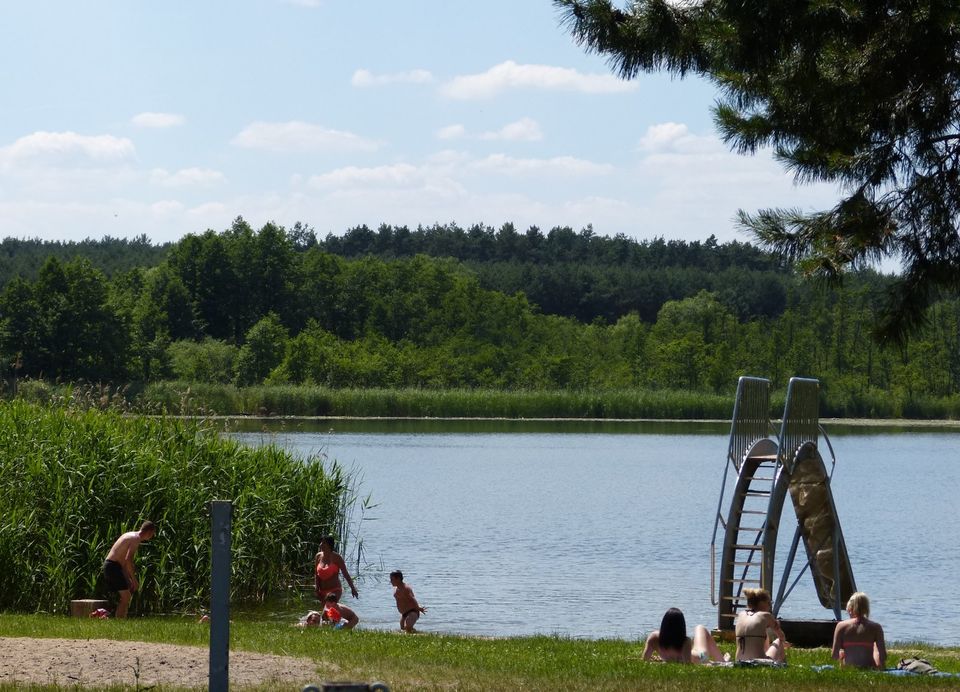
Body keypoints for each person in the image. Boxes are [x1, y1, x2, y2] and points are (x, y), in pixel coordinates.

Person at [102, 521, 156, 619]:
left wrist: (128, 579)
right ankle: (120, 621)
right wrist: (134, 580)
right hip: (112, 567)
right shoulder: (136, 539)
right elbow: (128, 560)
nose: (151, 537)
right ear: (149, 532)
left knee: (125, 597)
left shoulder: (130, 534)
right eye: (152, 534)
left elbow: (123, 563)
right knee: (126, 597)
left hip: (112, 566)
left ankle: (119, 619)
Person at [642, 607, 728, 663]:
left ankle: (722, 661)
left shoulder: (653, 638)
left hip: (698, 657)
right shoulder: (685, 641)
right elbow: (687, 665)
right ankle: (722, 661)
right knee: (700, 627)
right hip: (702, 657)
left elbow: (645, 660)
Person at [832, 592, 886, 669]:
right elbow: (883, 656)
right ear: (866, 608)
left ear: (850, 609)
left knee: (842, 652)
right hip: (869, 668)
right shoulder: (876, 627)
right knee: (875, 646)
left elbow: (834, 656)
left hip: (848, 669)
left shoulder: (841, 626)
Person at [735, 588, 788, 662]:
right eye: (769, 603)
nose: (770, 606)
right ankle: (783, 666)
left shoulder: (741, 614)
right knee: (778, 641)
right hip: (758, 661)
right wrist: (777, 627)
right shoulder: (766, 615)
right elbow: (782, 637)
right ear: (763, 603)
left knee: (761, 635)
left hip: (739, 660)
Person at [314, 535, 359, 603]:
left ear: (329, 545)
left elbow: (345, 574)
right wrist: (317, 589)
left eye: (324, 543)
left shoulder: (337, 557)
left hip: (335, 590)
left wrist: (353, 588)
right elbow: (316, 575)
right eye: (321, 542)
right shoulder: (318, 556)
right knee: (327, 612)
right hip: (322, 591)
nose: (321, 545)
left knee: (330, 608)